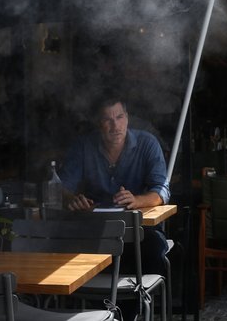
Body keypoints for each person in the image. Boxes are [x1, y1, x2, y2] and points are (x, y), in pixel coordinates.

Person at [59, 93, 170, 277]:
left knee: (153, 246)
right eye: (107, 120)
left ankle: (142, 304)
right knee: (65, 244)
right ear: (98, 123)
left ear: (127, 118)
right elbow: (62, 187)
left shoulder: (147, 143)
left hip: (139, 230)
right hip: (96, 230)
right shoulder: (84, 146)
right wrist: (72, 199)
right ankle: (94, 303)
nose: (115, 126)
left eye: (119, 117)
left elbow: (162, 191)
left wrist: (136, 200)